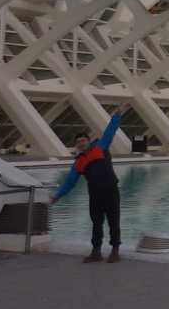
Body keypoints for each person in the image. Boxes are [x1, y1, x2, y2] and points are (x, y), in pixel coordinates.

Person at [50, 104, 128, 263]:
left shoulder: (100, 147)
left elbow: (110, 131)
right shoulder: (79, 163)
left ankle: (115, 250)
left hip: (110, 190)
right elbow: (70, 182)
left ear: (88, 141)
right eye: (78, 142)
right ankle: (96, 252)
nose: (81, 143)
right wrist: (57, 196)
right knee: (96, 223)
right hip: (95, 195)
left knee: (114, 221)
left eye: (83, 140)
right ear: (76, 145)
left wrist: (117, 115)